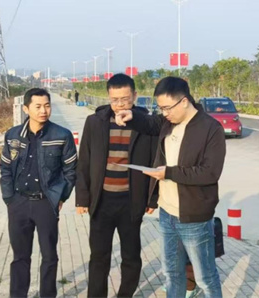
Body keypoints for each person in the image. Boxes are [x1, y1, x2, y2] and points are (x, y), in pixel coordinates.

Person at [115, 76, 225, 298]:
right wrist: (132, 117)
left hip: (193, 217)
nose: (164, 113)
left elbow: (210, 172)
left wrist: (168, 173)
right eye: (161, 108)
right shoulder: (168, 121)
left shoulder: (211, 129)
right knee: (172, 274)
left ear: (184, 101)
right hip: (167, 213)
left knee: (205, 277)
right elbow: (149, 124)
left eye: (167, 108)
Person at [75, 73, 158, 298]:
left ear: (135, 96)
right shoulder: (95, 122)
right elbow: (84, 161)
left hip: (131, 201)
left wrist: (152, 198)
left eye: (125, 99)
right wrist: (82, 198)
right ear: (108, 97)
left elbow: (155, 161)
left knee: (131, 256)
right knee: (98, 256)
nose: (120, 104)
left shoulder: (146, 124)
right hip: (101, 201)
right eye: (115, 100)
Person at [0, 88, 77, 298]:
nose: (44, 111)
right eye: (38, 106)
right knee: (20, 257)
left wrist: (60, 196)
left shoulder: (62, 135)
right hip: (19, 203)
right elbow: (5, 167)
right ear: (26, 109)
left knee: (49, 256)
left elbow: (71, 170)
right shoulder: (13, 135)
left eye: (47, 105)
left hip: (46, 203)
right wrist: (9, 198)